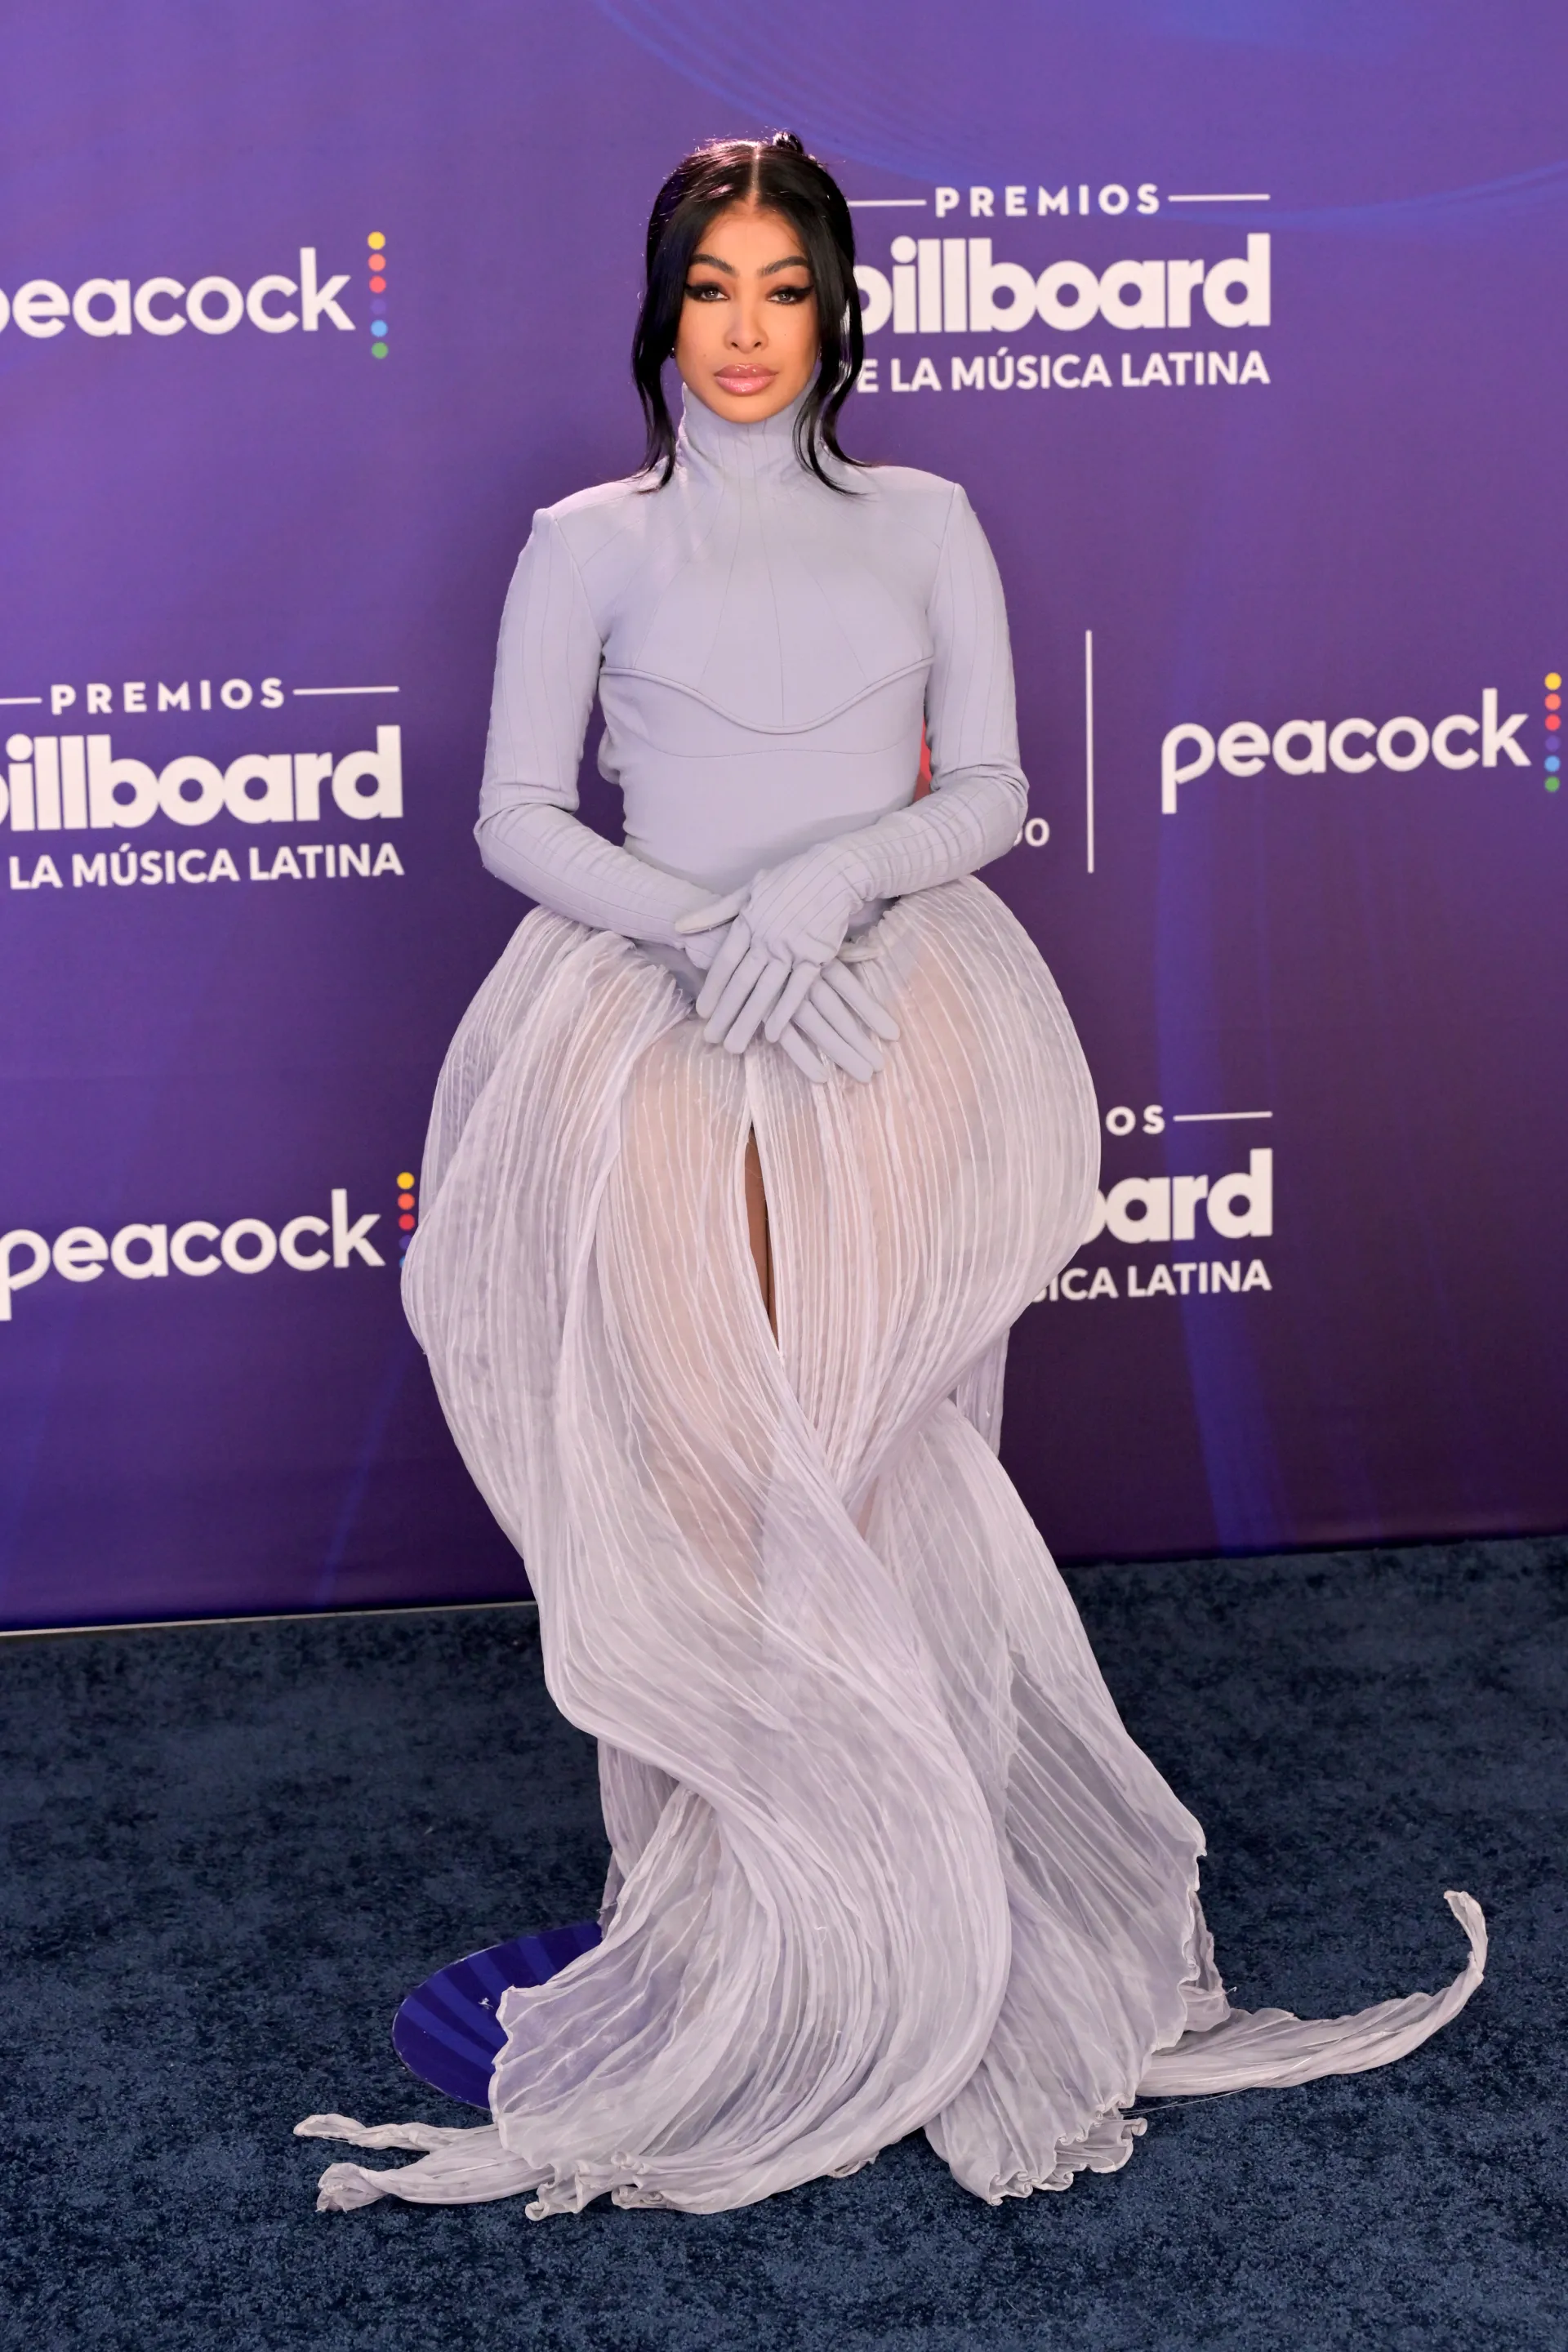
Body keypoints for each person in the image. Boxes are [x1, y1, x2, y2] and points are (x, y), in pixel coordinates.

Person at [297, 135, 1483, 2219]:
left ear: (840, 312)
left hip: (889, 1027)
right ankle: (731, 1922)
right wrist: (706, 928)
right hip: (652, 1041)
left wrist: (829, 883)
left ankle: (892, 1906)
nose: (747, 331)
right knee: (699, 1479)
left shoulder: (929, 521)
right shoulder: (586, 545)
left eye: (785, 289)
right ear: (661, 308)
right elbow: (513, 817)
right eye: (712, 288)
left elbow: (999, 786)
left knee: (863, 1465)